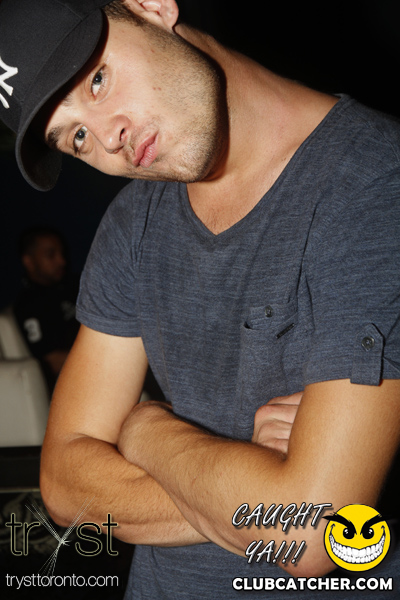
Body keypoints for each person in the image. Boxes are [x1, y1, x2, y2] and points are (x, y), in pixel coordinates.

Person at [1, 1, 399, 598]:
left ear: (151, 7)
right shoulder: (132, 225)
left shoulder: (373, 182)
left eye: (97, 80)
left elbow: (314, 535)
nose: (107, 136)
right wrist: (250, 489)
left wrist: (144, 430)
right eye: (76, 136)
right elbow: (62, 484)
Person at [13, 226, 79, 392]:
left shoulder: (72, 285)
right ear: (29, 261)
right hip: (73, 382)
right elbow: (52, 362)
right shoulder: (28, 305)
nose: (62, 261)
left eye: (62, 253)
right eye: (51, 255)